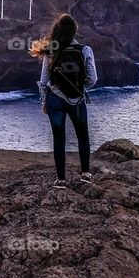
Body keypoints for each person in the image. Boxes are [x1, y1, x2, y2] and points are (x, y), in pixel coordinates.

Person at [29, 14, 97, 188]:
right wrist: (80, 89)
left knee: (59, 139)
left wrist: (44, 101)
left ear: (57, 30)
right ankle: (86, 174)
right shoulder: (85, 50)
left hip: (55, 99)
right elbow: (92, 78)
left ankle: (61, 180)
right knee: (83, 137)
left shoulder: (51, 50)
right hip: (78, 100)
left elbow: (44, 81)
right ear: (75, 30)